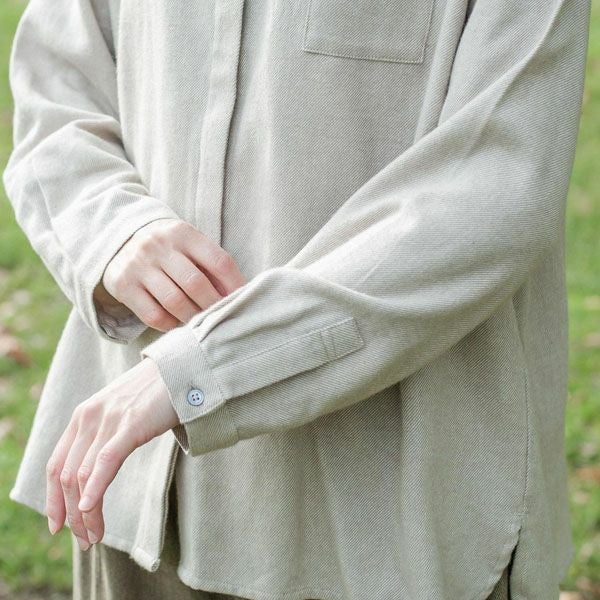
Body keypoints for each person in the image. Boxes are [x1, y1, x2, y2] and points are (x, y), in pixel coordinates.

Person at [3, 0, 591, 598]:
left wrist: (203, 372)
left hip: (384, 528)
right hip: (128, 492)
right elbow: (57, 81)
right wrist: (112, 228)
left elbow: (491, 193)